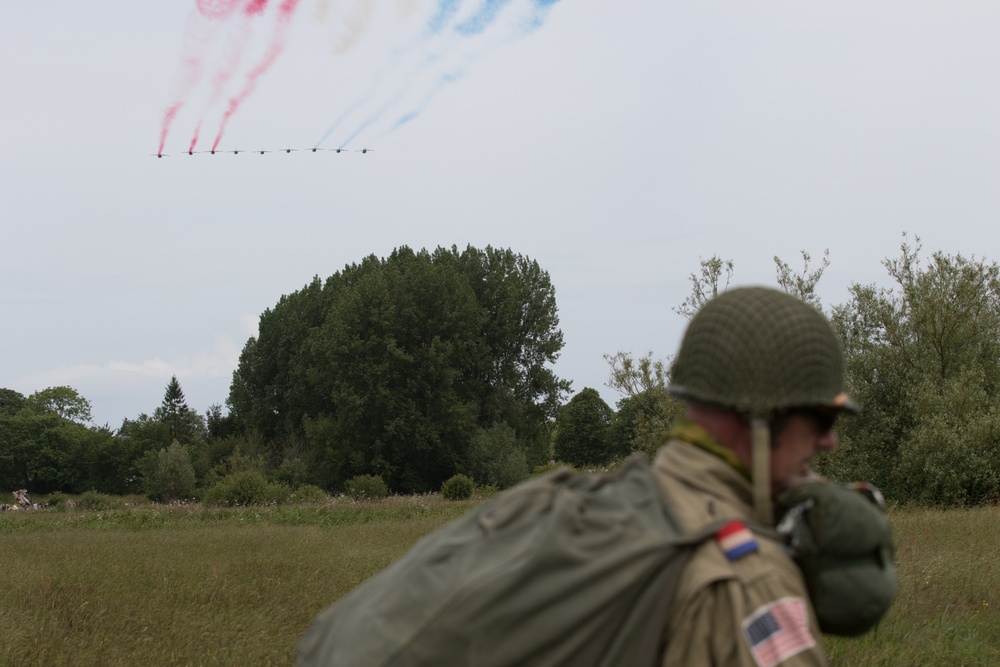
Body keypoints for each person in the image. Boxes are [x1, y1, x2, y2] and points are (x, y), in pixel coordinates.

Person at [654, 285, 860, 666]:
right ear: (764, 419)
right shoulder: (753, 580)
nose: (829, 441)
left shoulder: (614, 507)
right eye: (822, 419)